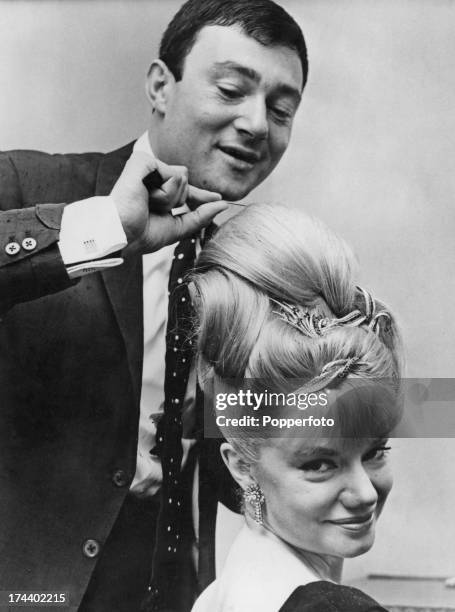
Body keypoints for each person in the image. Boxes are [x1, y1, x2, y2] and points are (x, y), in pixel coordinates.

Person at [0, 1, 307, 611]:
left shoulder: (256, 269)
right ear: (160, 86)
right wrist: (104, 229)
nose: (255, 124)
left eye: (281, 109)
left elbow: (238, 463)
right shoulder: (31, 186)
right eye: (230, 89)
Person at [190, 203, 403, 611]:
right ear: (240, 465)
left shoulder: (222, 593)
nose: (364, 494)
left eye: (375, 452)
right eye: (319, 465)